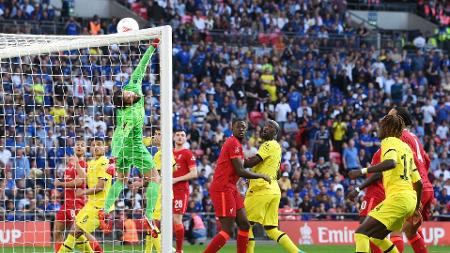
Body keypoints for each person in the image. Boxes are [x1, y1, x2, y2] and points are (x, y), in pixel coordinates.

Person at [349, 107, 431, 253]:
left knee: (361, 233)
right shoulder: (405, 147)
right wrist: (417, 207)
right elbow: (417, 182)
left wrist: (361, 171)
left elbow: (390, 163)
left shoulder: (389, 141)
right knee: (376, 237)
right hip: (410, 199)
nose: (378, 130)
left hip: (398, 198)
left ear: (388, 128)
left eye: (380, 127)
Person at [101, 39, 161, 229]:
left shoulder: (132, 85)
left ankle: (106, 209)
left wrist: (152, 47)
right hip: (133, 146)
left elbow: (141, 66)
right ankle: (149, 215)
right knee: (155, 179)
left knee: (121, 179)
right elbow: (119, 134)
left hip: (125, 149)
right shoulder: (130, 115)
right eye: (128, 98)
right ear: (125, 105)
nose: (131, 95)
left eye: (128, 94)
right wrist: (112, 158)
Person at [203, 119, 271, 253]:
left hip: (231, 187)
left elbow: (244, 163)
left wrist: (261, 157)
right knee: (227, 230)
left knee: (245, 225)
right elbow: (240, 170)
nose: (242, 129)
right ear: (232, 127)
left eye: (244, 127)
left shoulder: (236, 144)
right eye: (239, 126)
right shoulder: (233, 143)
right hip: (222, 187)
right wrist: (261, 176)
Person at [244, 120, 305, 253]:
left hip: (261, 189)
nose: (265, 128)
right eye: (265, 126)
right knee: (272, 229)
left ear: (275, 133)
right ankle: (297, 252)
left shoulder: (267, 144)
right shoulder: (277, 148)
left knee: (245, 224)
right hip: (273, 190)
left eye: (270, 127)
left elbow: (252, 162)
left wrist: (235, 161)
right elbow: (277, 174)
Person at [58, 139, 114, 253]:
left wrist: (83, 192)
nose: (96, 147)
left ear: (105, 148)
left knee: (75, 233)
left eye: (99, 145)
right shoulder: (92, 163)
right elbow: (85, 178)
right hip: (90, 205)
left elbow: (100, 187)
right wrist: (76, 163)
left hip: (100, 207)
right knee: (75, 232)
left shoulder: (105, 163)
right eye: (93, 145)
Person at [173, 128, 198, 253]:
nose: (179, 137)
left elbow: (194, 173)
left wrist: (176, 179)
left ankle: (179, 250)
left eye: (182, 135)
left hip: (180, 190)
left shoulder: (188, 153)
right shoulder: (168, 153)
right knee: (164, 219)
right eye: (177, 135)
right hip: (167, 190)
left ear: (185, 138)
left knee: (177, 219)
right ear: (173, 137)